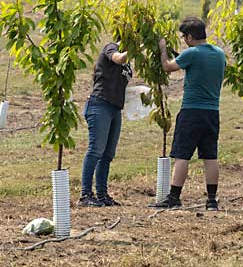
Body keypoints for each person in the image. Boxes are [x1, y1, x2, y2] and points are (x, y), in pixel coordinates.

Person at [149, 16, 226, 210]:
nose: (184, 40)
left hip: (192, 111)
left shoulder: (191, 54)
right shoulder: (219, 54)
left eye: (184, 37)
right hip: (212, 112)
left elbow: (168, 67)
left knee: (182, 155)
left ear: (190, 37)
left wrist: (163, 49)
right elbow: (198, 64)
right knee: (210, 156)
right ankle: (211, 200)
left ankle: (174, 197)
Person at [79, 41, 131, 207]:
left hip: (115, 108)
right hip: (100, 104)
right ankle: (85, 195)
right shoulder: (111, 48)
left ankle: (102, 195)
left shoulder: (127, 58)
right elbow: (119, 59)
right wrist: (137, 48)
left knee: (108, 154)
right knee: (95, 150)